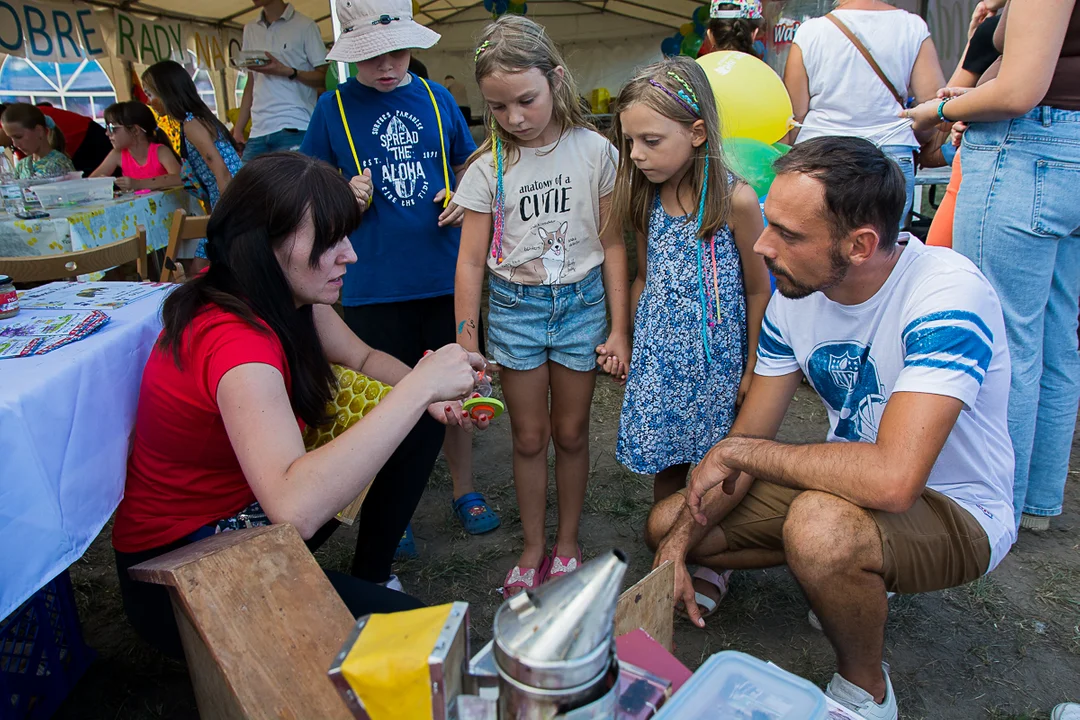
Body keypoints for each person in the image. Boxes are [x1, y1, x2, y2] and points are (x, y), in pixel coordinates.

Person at [647, 137, 1015, 720]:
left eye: (789, 235)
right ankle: (843, 577)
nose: (763, 246)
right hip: (845, 488)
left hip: (958, 507)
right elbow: (752, 434)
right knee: (671, 518)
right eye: (769, 224)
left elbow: (895, 481)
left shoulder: (947, 294)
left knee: (821, 529)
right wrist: (674, 547)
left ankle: (865, 691)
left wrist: (745, 453)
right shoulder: (795, 294)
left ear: (861, 245)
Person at [112, 152, 487, 658]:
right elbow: (294, 508)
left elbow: (364, 355)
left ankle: (371, 578)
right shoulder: (238, 346)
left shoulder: (279, 298)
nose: (349, 255)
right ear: (261, 247)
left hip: (244, 518)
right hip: (180, 571)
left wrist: (436, 394)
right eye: (329, 240)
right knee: (433, 646)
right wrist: (421, 385)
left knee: (416, 418)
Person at [300, 0, 499, 552]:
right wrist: (343, 193)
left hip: (443, 272)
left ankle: (464, 488)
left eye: (397, 52)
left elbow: (466, 162)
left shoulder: (436, 99)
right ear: (351, 57)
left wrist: (461, 192)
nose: (387, 65)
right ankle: (392, 507)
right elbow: (308, 190)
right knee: (387, 398)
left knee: (456, 385)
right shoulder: (331, 108)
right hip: (371, 281)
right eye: (371, 56)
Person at [453, 16, 631, 596]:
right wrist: (466, 339)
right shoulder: (487, 169)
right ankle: (533, 547)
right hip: (515, 311)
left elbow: (611, 245)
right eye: (497, 107)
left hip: (582, 309)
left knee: (573, 432)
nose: (515, 118)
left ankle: (569, 542)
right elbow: (472, 261)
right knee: (528, 437)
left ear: (556, 79)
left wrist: (619, 328)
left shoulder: (596, 151)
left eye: (526, 100)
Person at [905, 0, 1079, 533]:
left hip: (1026, 150)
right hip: (1063, 153)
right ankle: (1035, 503)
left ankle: (987, 511)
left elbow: (1020, 91)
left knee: (1002, 340)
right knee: (1054, 339)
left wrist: (932, 113)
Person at [604, 58, 770, 511]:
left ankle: (714, 555)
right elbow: (644, 277)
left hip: (718, 365)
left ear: (697, 133)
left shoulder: (736, 200)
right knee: (669, 464)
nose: (636, 153)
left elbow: (758, 290)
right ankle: (668, 548)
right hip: (662, 362)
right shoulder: (646, 197)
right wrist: (637, 347)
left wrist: (754, 366)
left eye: (650, 141)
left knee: (718, 463)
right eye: (630, 141)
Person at [783, 0, 945, 223]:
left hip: (820, 155)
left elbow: (795, 115)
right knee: (882, 249)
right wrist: (918, 137)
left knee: (817, 248)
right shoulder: (912, 27)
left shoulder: (811, 31)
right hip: (890, 155)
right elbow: (932, 106)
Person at [142, 60, 244, 271]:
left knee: (201, 263)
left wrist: (224, 213)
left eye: (150, 94)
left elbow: (221, 170)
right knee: (205, 259)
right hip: (231, 197)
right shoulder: (194, 121)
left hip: (231, 198)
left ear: (167, 93)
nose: (149, 101)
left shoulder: (191, 125)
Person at [924, 0, 1005, 249]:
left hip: (992, 163)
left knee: (945, 263)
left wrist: (974, 43)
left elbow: (946, 100)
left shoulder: (997, 29)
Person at [232, 0, 328, 161]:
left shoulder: (305, 26)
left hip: (295, 124)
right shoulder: (250, 29)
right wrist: (238, 129)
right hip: (258, 130)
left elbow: (324, 77)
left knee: (295, 184)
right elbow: (251, 81)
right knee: (246, 185)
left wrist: (288, 71)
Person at [90, 101, 183, 192]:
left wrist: (138, 184)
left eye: (112, 128)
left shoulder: (160, 151)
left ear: (135, 130)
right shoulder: (117, 154)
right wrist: (101, 182)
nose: (107, 133)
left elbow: (179, 178)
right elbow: (90, 182)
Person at [0, 103, 75, 179]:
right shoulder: (21, 165)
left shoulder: (59, 165)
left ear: (39, 131)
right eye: (11, 138)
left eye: (19, 137)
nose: (15, 144)